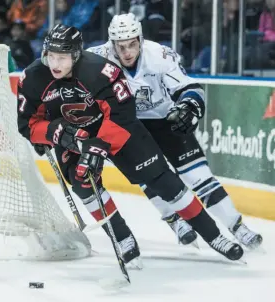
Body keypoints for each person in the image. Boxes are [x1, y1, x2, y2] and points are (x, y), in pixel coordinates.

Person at [17, 24, 244, 266]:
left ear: (75, 54)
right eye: (51, 56)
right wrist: (52, 134)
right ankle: (122, 237)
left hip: (116, 131)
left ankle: (215, 235)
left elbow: (121, 116)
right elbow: (27, 123)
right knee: (84, 184)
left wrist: (97, 147)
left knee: (165, 183)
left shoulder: (101, 71)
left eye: (61, 57)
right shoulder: (33, 77)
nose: (55, 64)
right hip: (73, 135)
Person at [87, 13, 262, 250]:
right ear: (111, 44)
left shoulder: (159, 55)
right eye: (121, 46)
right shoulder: (96, 58)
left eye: (132, 44)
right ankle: (175, 220)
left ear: (140, 39)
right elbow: (65, 73)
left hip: (165, 119)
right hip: (131, 126)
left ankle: (237, 226)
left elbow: (189, 87)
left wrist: (188, 108)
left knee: (199, 178)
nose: (127, 52)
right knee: (151, 178)